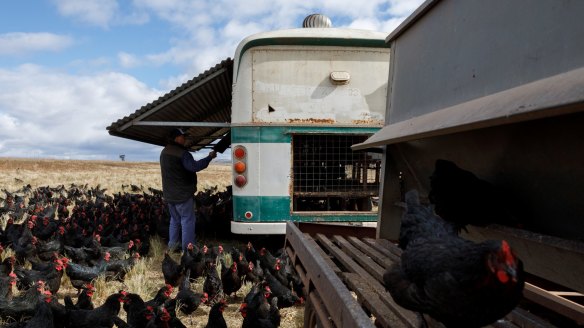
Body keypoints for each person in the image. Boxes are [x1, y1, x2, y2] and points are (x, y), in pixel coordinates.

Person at [160, 128, 217, 252]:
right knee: (187, 221)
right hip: (182, 195)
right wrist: (209, 157)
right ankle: (188, 251)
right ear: (176, 138)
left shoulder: (164, 151)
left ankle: (172, 247)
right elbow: (194, 167)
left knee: (174, 220)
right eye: (182, 136)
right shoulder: (182, 153)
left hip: (169, 195)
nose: (184, 139)